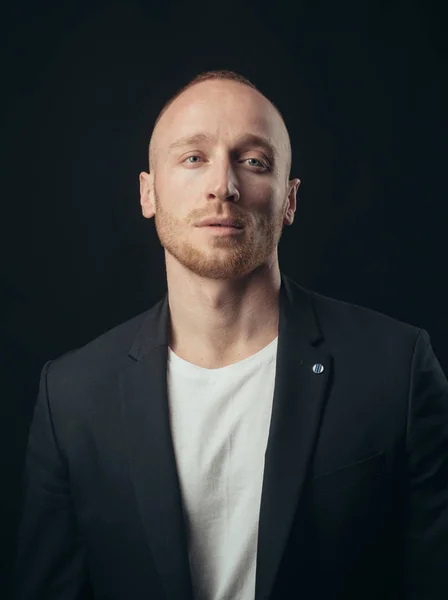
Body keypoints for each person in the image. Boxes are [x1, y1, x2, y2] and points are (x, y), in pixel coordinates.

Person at [14, 69, 448, 600]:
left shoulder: (396, 368)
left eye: (253, 161)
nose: (224, 185)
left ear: (289, 200)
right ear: (148, 193)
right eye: (193, 157)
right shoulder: (72, 396)